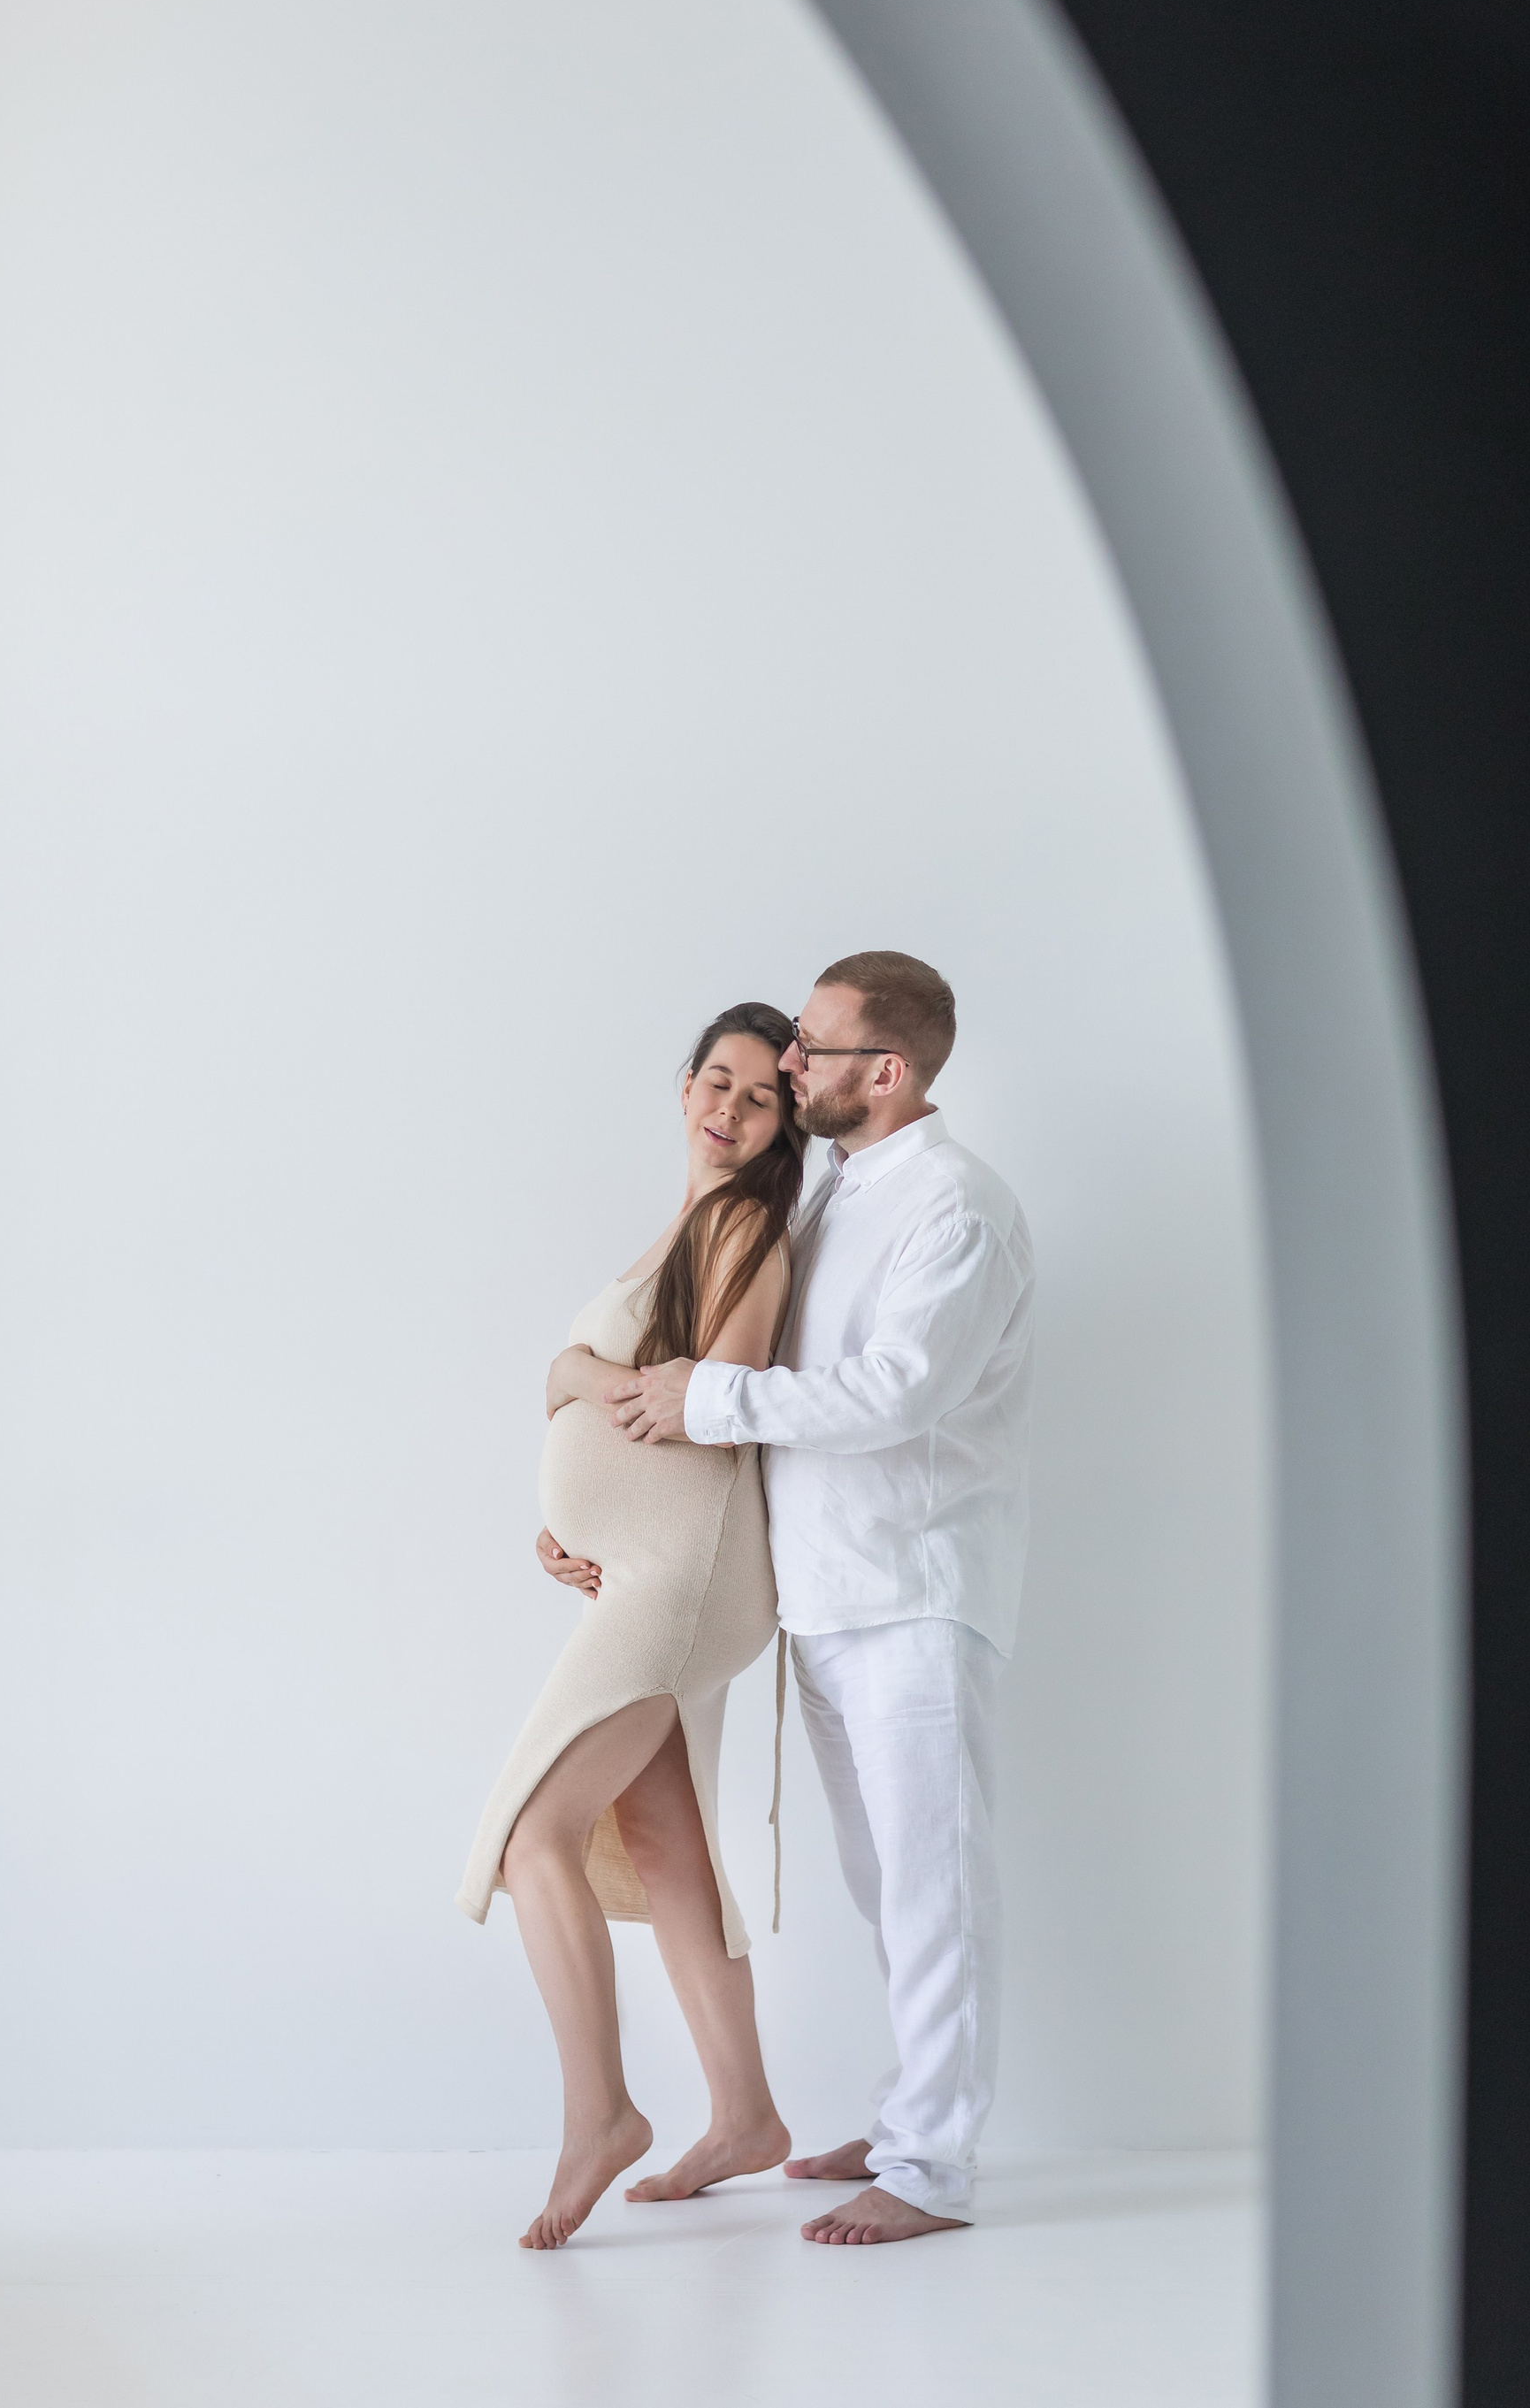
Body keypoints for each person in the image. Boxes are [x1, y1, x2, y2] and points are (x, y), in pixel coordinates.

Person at [610, 951, 1034, 2246]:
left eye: (813, 1046)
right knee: (884, 1882)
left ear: (886, 1070)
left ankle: (932, 2166)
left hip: (913, 1595)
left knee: (934, 1885)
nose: (791, 1065)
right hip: (831, 1597)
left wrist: (708, 1396)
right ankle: (913, 2116)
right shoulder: (835, 1194)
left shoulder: (956, 1206)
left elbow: (897, 1391)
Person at [455, 1002, 807, 2250]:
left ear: (784, 1125)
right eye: (716, 1080)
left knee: (533, 1833)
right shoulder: (687, 1223)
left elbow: (710, 1403)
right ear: (685, 1087)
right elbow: (617, 1402)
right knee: (663, 1838)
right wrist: (573, 1520)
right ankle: (747, 2114)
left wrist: (577, 1380)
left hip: (684, 1578)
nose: (729, 1108)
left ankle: (601, 2112)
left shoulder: (746, 1227)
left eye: (759, 1097)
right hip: (647, 1570)